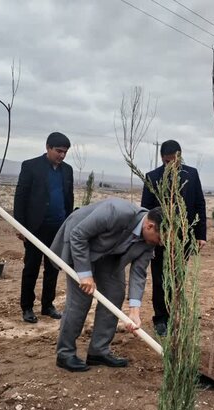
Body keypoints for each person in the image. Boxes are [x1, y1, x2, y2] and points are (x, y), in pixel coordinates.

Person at [50, 199, 163, 372]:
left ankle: (98, 351)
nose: (160, 243)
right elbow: (78, 235)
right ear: (149, 226)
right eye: (160, 238)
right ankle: (65, 353)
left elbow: (139, 273)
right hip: (81, 246)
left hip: (109, 254)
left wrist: (134, 311)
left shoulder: (149, 242)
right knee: (81, 300)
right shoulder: (117, 211)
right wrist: (86, 274)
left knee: (115, 293)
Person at [140, 140, 207, 336]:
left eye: (175, 161)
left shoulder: (192, 174)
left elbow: (199, 204)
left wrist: (201, 235)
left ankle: (175, 313)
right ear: (162, 158)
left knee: (178, 278)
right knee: (160, 279)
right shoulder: (152, 177)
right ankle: (161, 319)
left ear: (180, 156)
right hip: (159, 238)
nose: (171, 165)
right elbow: (146, 210)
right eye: (167, 161)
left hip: (184, 237)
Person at [13, 132, 74, 324]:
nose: (62, 155)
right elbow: (20, 197)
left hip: (58, 227)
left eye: (65, 152)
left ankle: (48, 305)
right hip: (35, 227)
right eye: (58, 151)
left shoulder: (67, 170)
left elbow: (68, 198)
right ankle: (27, 307)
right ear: (47, 147)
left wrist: (69, 222)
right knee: (31, 267)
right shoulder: (31, 166)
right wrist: (20, 226)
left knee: (53, 268)